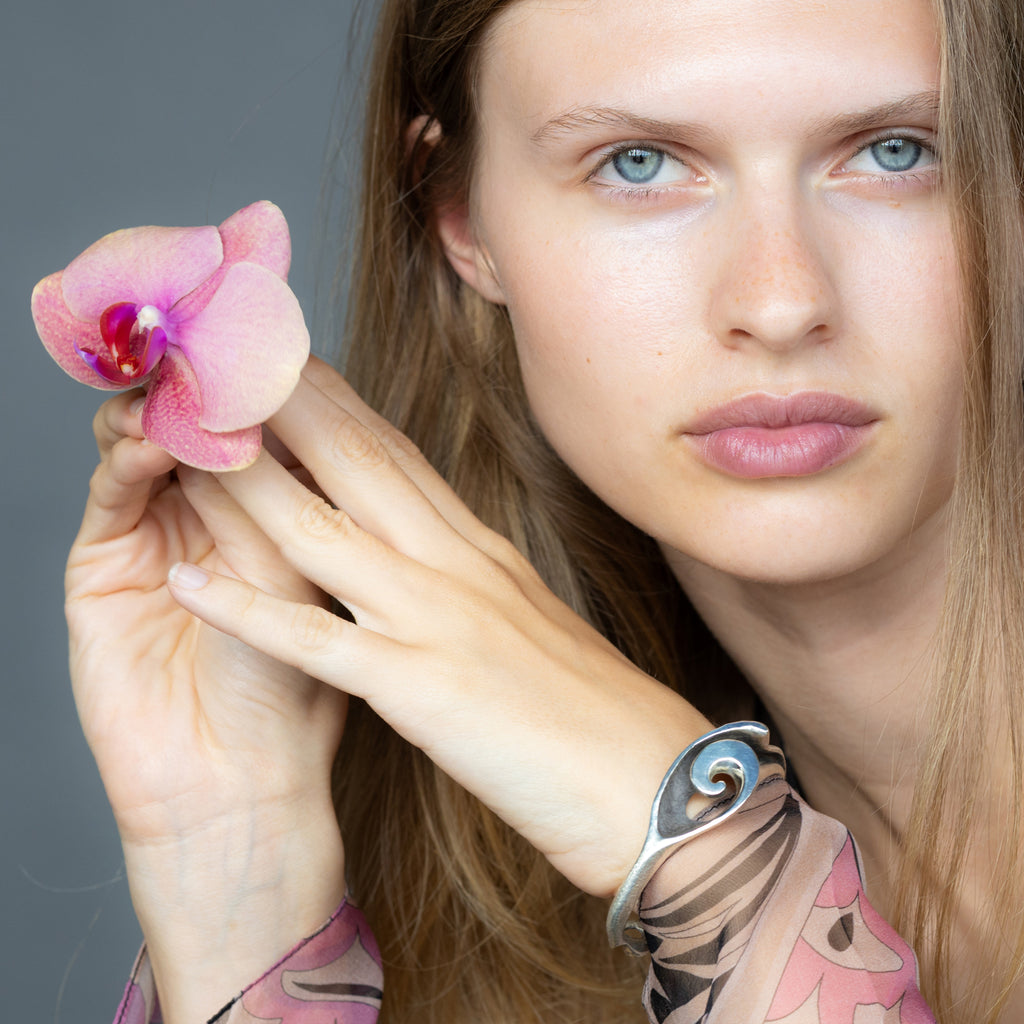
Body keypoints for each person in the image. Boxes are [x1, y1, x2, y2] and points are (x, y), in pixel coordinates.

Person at [62, 0, 1024, 1020]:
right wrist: (238, 874)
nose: (781, 302)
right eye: (639, 163)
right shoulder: (511, 873)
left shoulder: (654, 852)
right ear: (461, 217)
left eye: (895, 150)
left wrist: (708, 858)